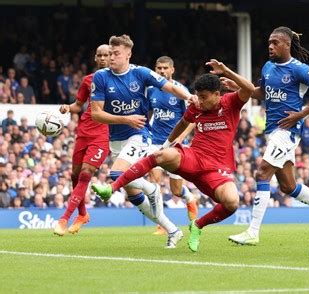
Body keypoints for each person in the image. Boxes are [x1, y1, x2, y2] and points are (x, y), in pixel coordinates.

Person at [92, 59, 255, 252]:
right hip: (194, 156)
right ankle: (111, 188)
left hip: (218, 166)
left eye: (203, 97)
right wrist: (168, 144)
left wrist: (226, 70)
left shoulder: (231, 103)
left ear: (217, 94)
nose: (199, 101)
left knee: (232, 202)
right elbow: (182, 124)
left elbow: (250, 89)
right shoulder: (196, 106)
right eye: (197, 97)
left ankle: (197, 225)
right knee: (162, 156)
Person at [227, 26, 309, 246]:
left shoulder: (300, 69)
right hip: (272, 131)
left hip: (287, 131)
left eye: (275, 42)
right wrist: (239, 87)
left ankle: (252, 232)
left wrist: (301, 114)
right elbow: (261, 93)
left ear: (287, 44)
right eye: (269, 42)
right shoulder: (268, 67)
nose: (270, 46)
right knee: (288, 186)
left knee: (262, 172)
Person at [90, 34, 197, 248]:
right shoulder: (101, 77)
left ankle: (154, 189)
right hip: (117, 137)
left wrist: (189, 97)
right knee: (133, 196)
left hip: (140, 134)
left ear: (128, 54)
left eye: (116, 53)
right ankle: (172, 229)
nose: (111, 57)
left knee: (116, 174)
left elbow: (171, 87)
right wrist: (125, 118)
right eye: (109, 53)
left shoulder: (141, 73)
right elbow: (95, 114)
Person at [53, 44, 111, 236]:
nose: (103, 58)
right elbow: (79, 105)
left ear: (113, 57)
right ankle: (83, 215)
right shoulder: (88, 80)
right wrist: (67, 108)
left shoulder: (120, 82)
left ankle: (64, 219)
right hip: (83, 132)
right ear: (95, 58)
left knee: (86, 173)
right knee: (75, 176)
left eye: (107, 55)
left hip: (101, 135)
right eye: (100, 55)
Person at [146, 56, 198, 235]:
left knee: (176, 190)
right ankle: (162, 223)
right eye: (158, 68)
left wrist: (181, 137)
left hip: (175, 144)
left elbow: (193, 118)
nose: (161, 71)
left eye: (165, 68)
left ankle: (190, 198)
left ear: (172, 70)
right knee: (154, 180)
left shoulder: (180, 91)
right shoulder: (151, 90)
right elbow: (148, 112)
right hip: (155, 141)